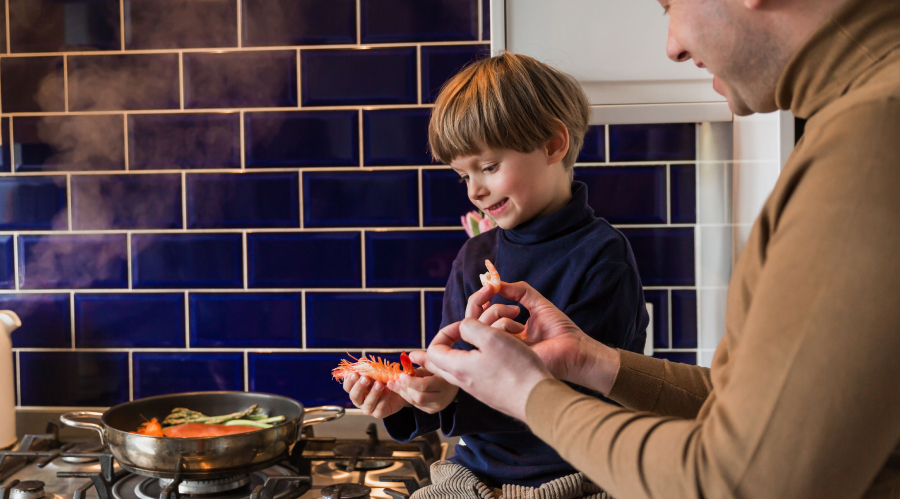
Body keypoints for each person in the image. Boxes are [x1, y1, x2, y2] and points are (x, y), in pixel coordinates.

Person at [419, 0, 900, 496]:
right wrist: (584, 358)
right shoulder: (854, 129)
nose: (671, 46)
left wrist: (529, 393)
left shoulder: (871, 141)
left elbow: (746, 478)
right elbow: (743, 409)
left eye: (671, 3)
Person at [341, 53, 649, 491]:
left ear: (552, 145)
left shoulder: (602, 257)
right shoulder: (473, 256)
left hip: (576, 476)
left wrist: (452, 401)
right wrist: (408, 403)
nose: (475, 190)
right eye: (462, 175)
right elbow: (451, 378)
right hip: (473, 472)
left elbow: (585, 399)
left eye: (488, 167)